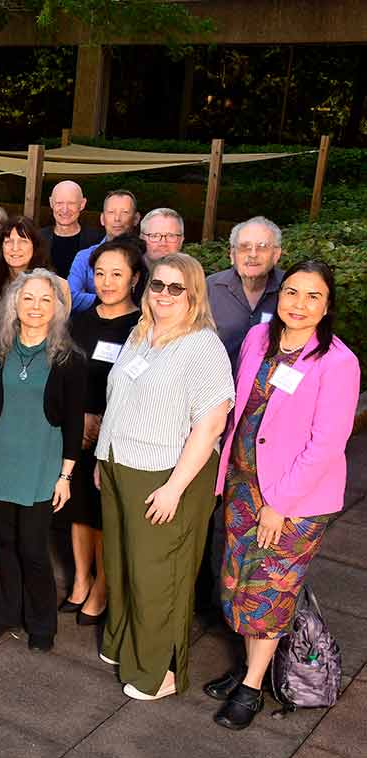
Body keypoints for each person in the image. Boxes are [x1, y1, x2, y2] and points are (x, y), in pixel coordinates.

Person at [205, 261, 359, 729]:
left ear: (328, 305)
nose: (299, 304)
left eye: (313, 296)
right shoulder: (258, 339)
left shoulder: (337, 361)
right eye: (292, 292)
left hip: (293, 501)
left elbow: (327, 444)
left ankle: (251, 687)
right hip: (243, 487)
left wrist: (281, 504)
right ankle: (253, 663)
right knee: (238, 582)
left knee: (270, 589)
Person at [95, 253, 234, 701]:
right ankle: (125, 644)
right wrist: (104, 458)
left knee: (158, 574)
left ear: (193, 294)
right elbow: (119, 400)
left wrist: (175, 487)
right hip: (120, 463)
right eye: (158, 285)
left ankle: (159, 671)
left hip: (165, 473)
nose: (165, 295)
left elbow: (211, 424)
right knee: (120, 563)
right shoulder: (141, 333)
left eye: (177, 288)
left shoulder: (202, 346)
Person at [0, 270, 85, 652]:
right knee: (5, 542)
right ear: (15, 305)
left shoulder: (68, 359)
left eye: (45, 300)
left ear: (56, 309)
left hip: (41, 466)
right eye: (28, 298)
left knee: (33, 548)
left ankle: (42, 623)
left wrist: (66, 474)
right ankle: (6, 613)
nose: (36, 307)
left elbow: (72, 421)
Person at [61, 239, 143, 626]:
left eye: (116, 274)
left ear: (135, 278)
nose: (107, 282)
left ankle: (101, 589)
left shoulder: (141, 327)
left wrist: (100, 421)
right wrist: (76, 419)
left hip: (114, 433)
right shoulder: (79, 321)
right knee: (76, 509)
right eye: (100, 274)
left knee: (102, 516)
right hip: (75, 430)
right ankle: (80, 580)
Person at [208, 216, 285, 368]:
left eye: (262, 246)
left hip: (268, 389)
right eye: (244, 247)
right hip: (216, 386)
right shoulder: (209, 288)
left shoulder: (291, 290)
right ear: (232, 254)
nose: (253, 254)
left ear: (276, 255)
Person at [0, 217, 57, 343]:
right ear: (1, 247)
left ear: (35, 246)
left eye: (23, 241)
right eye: (8, 241)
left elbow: (59, 336)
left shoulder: (57, 287)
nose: (15, 248)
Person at [67, 190, 140, 313]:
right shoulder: (84, 256)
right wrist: (115, 300)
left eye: (125, 212)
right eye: (111, 212)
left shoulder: (143, 256)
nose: (117, 219)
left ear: (136, 218)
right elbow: (70, 297)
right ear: (102, 218)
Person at [41, 181, 103, 280]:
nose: (65, 209)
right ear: (51, 203)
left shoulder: (97, 242)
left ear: (82, 204)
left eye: (71, 203)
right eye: (59, 203)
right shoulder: (38, 238)